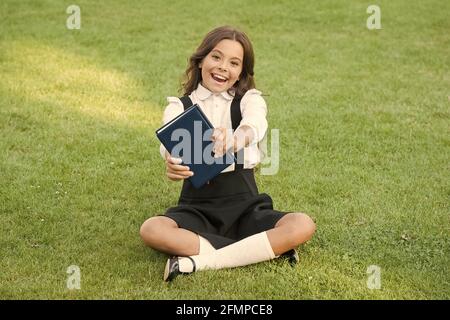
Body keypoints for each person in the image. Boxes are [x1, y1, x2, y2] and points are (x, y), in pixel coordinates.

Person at [140, 26, 316, 282]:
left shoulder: (248, 100)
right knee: (152, 229)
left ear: (240, 73)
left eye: (234, 63)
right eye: (216, 57)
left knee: (303, 224)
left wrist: (235, 140)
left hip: (244, 202)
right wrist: (171, 161)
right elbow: (169, 144)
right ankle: (264, 251)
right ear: (201, 60)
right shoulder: (179, 105)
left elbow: (256, 124)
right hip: (197, 205)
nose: (223, 67)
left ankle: (195, 263)